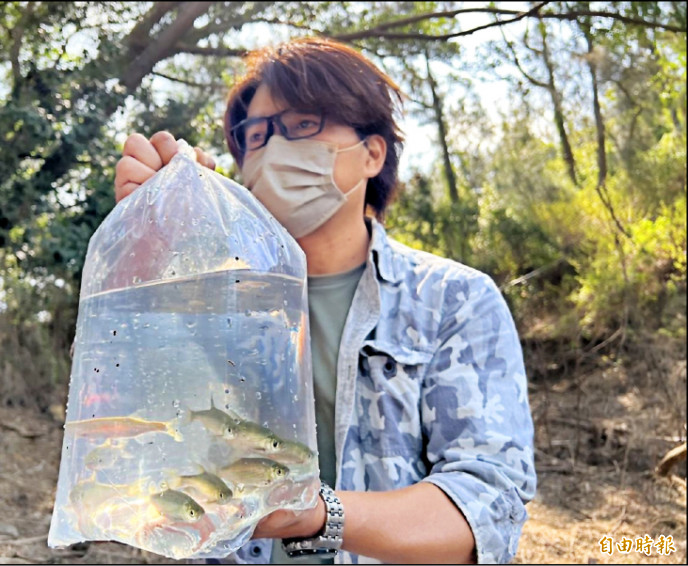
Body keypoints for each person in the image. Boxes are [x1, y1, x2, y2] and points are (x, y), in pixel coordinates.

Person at [114, 37, 536, 565]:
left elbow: (488, 504)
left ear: (371, 153)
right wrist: (153, 254)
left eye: (303, 125)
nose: (272, 151)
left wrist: (318, 514)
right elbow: (134, 438)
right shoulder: (212, 301)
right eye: (257, 135)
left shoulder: (454, 301)